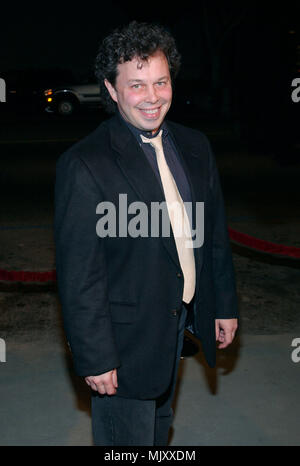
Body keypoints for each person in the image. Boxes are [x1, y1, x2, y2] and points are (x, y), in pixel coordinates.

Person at [54, 21, 238, 446]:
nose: (152, 97)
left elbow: (213, 238)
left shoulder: (195, 146)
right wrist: (96, 356)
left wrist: (221, 305)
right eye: (136, 85)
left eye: (161, 81)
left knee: (158, 427)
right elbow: (80, 274)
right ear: (112, 90)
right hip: (124, 338)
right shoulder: (84, 164)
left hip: (176, 322)